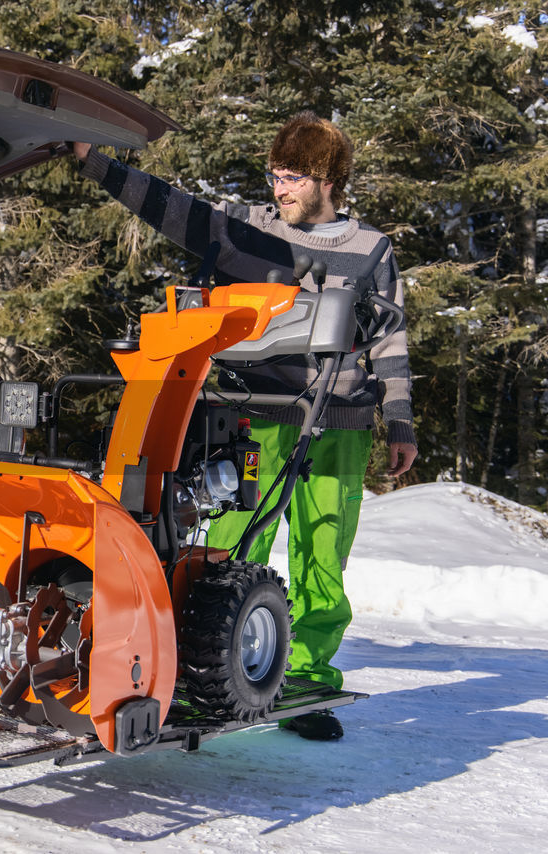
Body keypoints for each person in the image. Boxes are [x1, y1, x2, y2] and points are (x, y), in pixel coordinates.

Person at [72, 111, 417, 741]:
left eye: (293, 177)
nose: (279, 188)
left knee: (322, 555)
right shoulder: (248, 231)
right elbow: (172, 207)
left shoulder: (371, 250)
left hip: (336, 421)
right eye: (274, 174)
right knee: (225, 548)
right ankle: (209, 668)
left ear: (328, 179)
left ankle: (308, 685)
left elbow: (390, 338)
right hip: (253, 413)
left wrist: (399, 420)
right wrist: (94, 159)